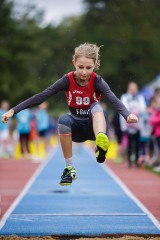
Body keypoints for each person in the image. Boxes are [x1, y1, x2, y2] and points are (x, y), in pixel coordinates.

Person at [1, 43, 138, 185]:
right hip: (76, 128)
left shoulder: (97, 81)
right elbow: (43, 95)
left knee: (97, 107)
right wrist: (13, 110)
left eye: (89, 68)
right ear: (74, 63)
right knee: (63, 120)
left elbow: (112, 98)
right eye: (80, 67)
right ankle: (69, 168)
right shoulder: (67, 80)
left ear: (95, 65)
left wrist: (127, 115)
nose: (84, 72)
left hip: (94, 127)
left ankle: (100, 142)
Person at [120, 82, 146, 167]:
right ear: (128, 88)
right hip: (128, 124)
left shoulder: (140, 97)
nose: (133, 90)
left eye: (135, 88)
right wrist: (123, 126)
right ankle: (129, 162)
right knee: (129, 144)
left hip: (138, 125)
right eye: (131, 88)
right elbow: (123, 109)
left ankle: (137, 161)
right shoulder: (125, 97)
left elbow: (143, 109)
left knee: (138, 144)